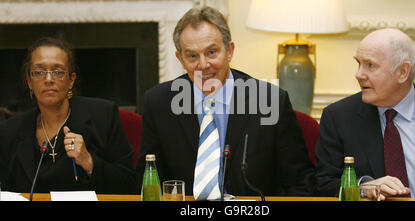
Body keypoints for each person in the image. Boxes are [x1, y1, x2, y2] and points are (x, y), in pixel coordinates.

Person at [137, 6, 315, 200]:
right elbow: (148, 178)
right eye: (192, 56)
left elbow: (299, 183)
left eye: (212, 52)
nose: (203, 65)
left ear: (229, 51)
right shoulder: (159, 103)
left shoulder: (270, 100)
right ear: (180, 59)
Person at [315, 28, 415, 200]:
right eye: (359, 64)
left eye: (370, 65)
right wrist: (363, 188)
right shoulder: (338, 117)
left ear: (402, 72)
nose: (359, 75)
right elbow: (323, 184)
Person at [0, 37, 136, 194]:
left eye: (58, 72)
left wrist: (89, 162)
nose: (48, 79)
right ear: (29, 81)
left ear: (71, 80)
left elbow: (130, 184)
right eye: (39, 72)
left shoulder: (103, 116)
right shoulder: (9, 131)